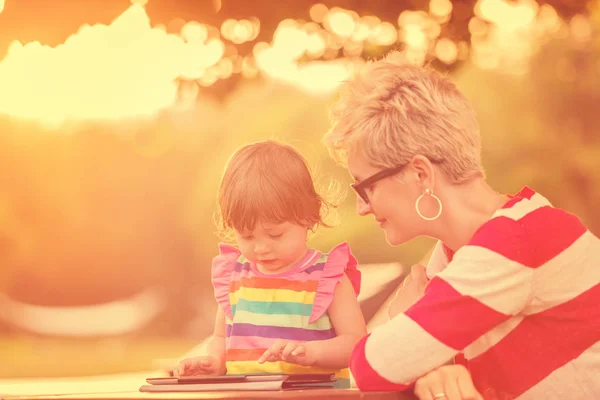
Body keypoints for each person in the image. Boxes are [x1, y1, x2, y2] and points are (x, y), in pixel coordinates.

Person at [323, 50, 600, 399]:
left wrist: (407, 322)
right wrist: (430, 364)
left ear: (420, 173)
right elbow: (396, 363)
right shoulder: (453, 259)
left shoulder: (517, 242)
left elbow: (370, 366)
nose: (362, 207)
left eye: (366, 187)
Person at [176, 140, 367, 388]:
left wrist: (312, 353)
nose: (261, 248)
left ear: (309, 215)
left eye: (275, 235)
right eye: (246, 235)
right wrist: (213, 361)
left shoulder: (327, 278)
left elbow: (357, 344)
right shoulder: (233, 278)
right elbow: (222, 337)